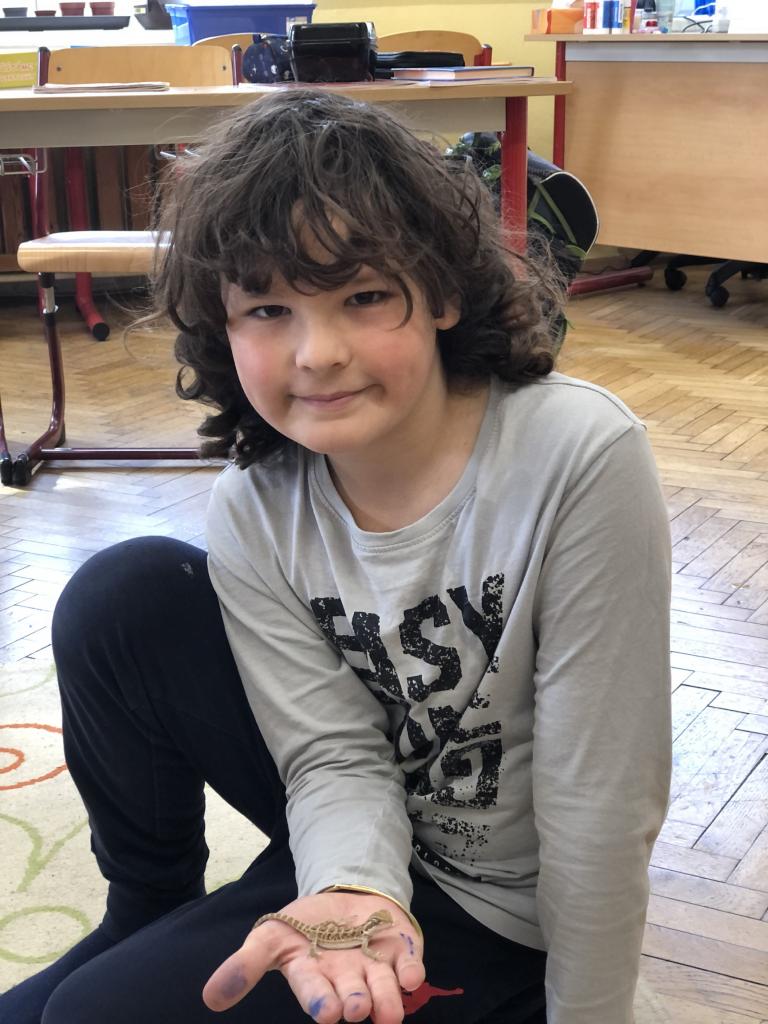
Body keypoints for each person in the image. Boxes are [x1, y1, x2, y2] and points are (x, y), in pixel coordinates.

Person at [0, 89, 672, 1024]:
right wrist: (355, 888)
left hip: (505, 909)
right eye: (268, 308)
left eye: (363, 297)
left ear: (442, 293)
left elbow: (600, 805)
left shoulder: (579, 457)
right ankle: (149, 909)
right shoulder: (255, 500)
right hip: (353, 841)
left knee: (84, 1016)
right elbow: (332, 754)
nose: (317, 352)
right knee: (126, 595)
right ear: (221, 326)